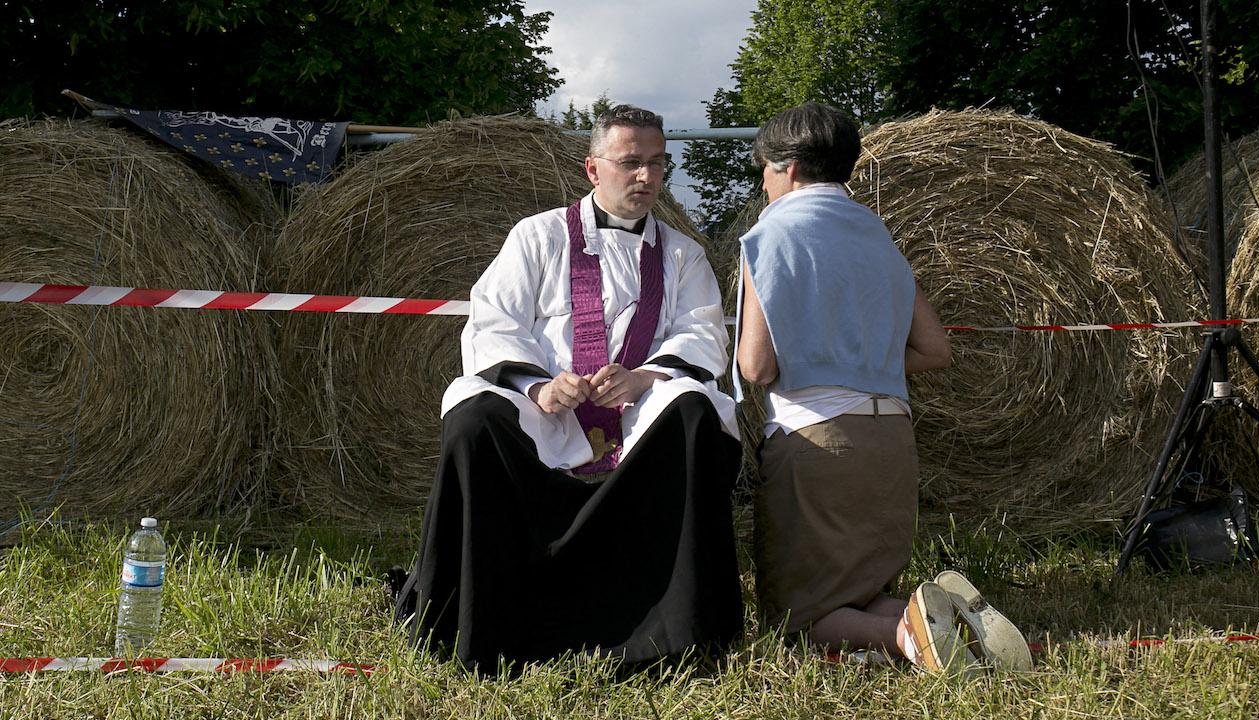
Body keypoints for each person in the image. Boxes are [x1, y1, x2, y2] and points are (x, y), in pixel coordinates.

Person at [394, 104, 744, 673]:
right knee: (473, 416)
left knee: (693, 410)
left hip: (636, 412)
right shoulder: (535, 237)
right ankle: (480, 619)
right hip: (548, 411)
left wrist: (644, 376)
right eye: (631, 162)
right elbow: (492, 322)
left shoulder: (684, 255)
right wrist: (537, 388)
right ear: (591, 168)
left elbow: (701, 335)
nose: (647, 178)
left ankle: (672, 631)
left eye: (658, 164)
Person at [735, 102, 1031, 674]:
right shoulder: (878, 236)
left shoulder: (769, 235)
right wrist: (861, 359)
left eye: (765, 171)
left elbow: (754, 366)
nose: (764, 184)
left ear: (789, 168)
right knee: (862, 591)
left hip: (816, 439)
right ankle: (959, 628)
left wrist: (820, 360)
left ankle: (910, 638)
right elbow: (935, 350)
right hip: (892, 440)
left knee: (798, 618)